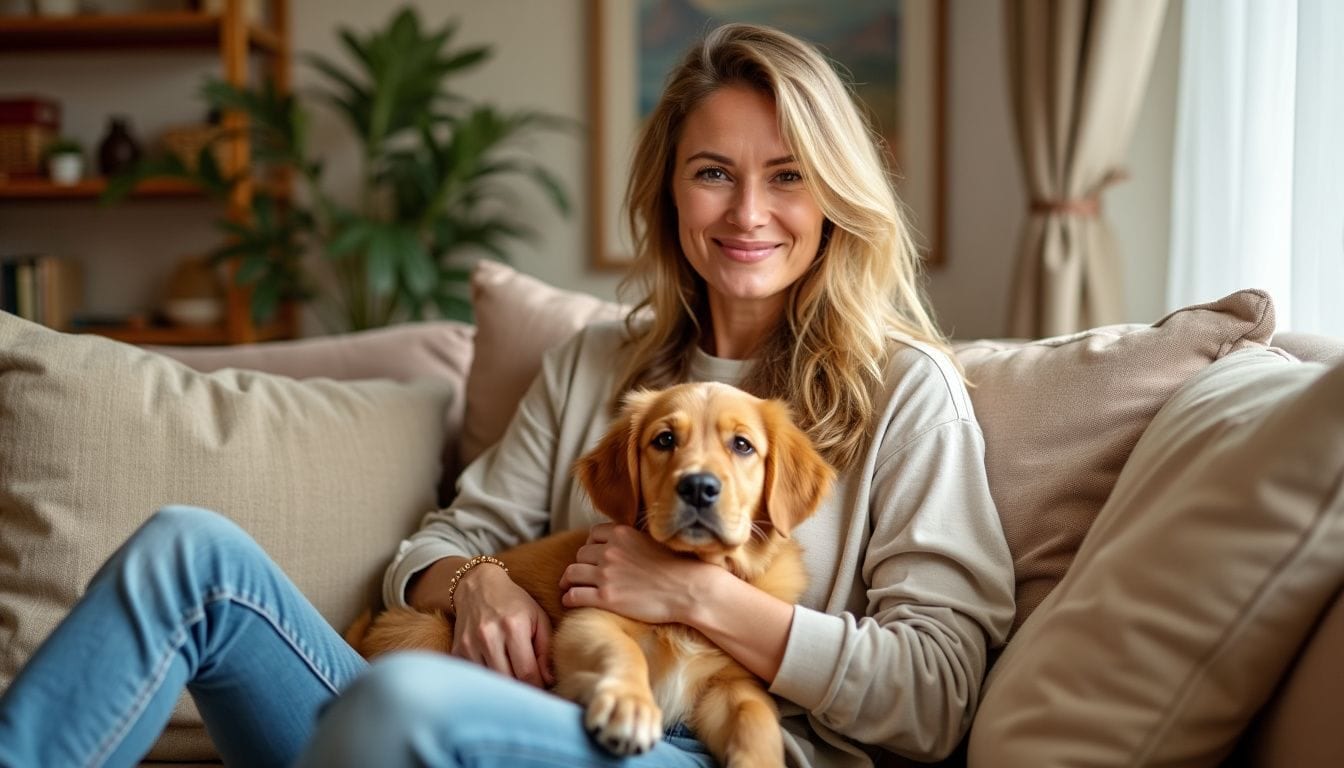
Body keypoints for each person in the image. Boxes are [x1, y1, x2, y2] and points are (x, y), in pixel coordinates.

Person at [0, 22, 1014, 768]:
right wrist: (473, 585)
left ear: (836, 194)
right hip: (483, 701)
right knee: (190, 550)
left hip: (697, 746)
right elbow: (435, 551)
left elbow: (937, 693)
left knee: (404, 703)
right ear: (671, 194)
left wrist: (697, 596)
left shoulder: (905, 391)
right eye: (713, 173)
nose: (749, 211)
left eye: (788, 176)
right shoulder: (592, 367)